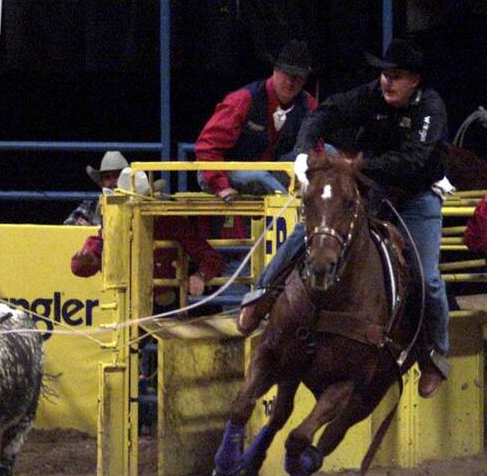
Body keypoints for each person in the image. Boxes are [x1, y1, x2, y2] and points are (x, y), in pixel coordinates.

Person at [235, 38, 452, 398]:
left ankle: (435, 354)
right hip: (373, 191)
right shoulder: (371, 95)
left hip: (416, 198)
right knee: (313, 232)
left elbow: (413, 161)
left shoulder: (430, 108)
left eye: (395, 76)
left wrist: (356, 167)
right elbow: (323, 114)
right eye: (384, 75)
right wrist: (304, 152)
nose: (387, 82)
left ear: (414, 80)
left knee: (427, 278)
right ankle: (260, 297)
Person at [68, 152, 224, 309]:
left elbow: (209, 257)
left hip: (163, 305)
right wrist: (82, 263)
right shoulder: (110, 226)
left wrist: (200, 276)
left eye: (117, 176)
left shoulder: (169, 221)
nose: (113, 183)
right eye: (107, 177)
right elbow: (84, 264)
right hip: (128, 305)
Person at [195, 39, 318, 201]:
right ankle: (292, 211)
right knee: (260, 177)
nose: (290, 83)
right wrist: (221, 184)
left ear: (304, 80)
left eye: (298, 78)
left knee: (326, 153)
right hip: (221, 170)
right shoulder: (244, 100)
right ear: (275, 71)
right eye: (286, 74)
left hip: (271, 170)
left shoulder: (308, 105)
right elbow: (207, 147)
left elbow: (317, 147)